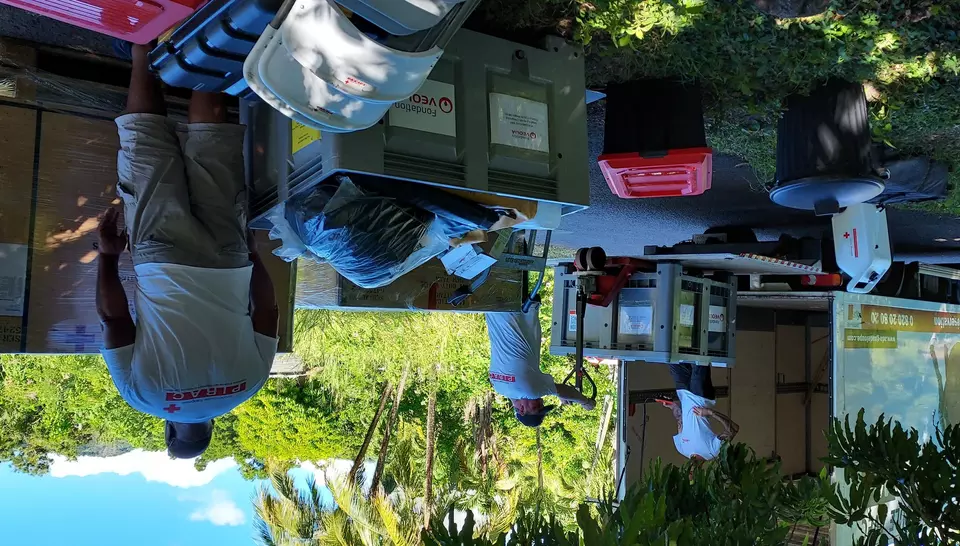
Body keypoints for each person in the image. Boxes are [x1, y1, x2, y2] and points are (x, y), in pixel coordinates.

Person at [96, 43, 279, 459]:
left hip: (229, 262)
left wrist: (253, 255)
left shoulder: (246, 388)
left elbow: (267, 313)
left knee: (212, 141)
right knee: (145, 148)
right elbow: (114, 319)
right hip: (162, 262)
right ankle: (143, 46)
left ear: (210, 429)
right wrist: (107, 257)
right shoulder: (142, 398)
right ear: (170, 433)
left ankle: (211, 38)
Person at [486, 303, 596, 427]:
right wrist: (556, 392)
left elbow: (563, 390)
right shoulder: (498, 386)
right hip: (493, 309)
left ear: (522, 410)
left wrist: (585, 401)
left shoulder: (530, 391)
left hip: (516, 309)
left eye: (536, 407)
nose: (541, 401)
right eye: (542, 405)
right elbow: (516, 388)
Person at [660, 363, 739, 460]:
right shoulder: (712, 452)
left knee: (674, 358)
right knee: (699, 358)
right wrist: (710, 412)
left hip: (683, 393)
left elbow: (680, 421)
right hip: (700, 396)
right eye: (692, 474)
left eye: (689, 474)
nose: (691, 473)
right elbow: (733, 429)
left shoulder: (682, 449)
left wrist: (673, 407)